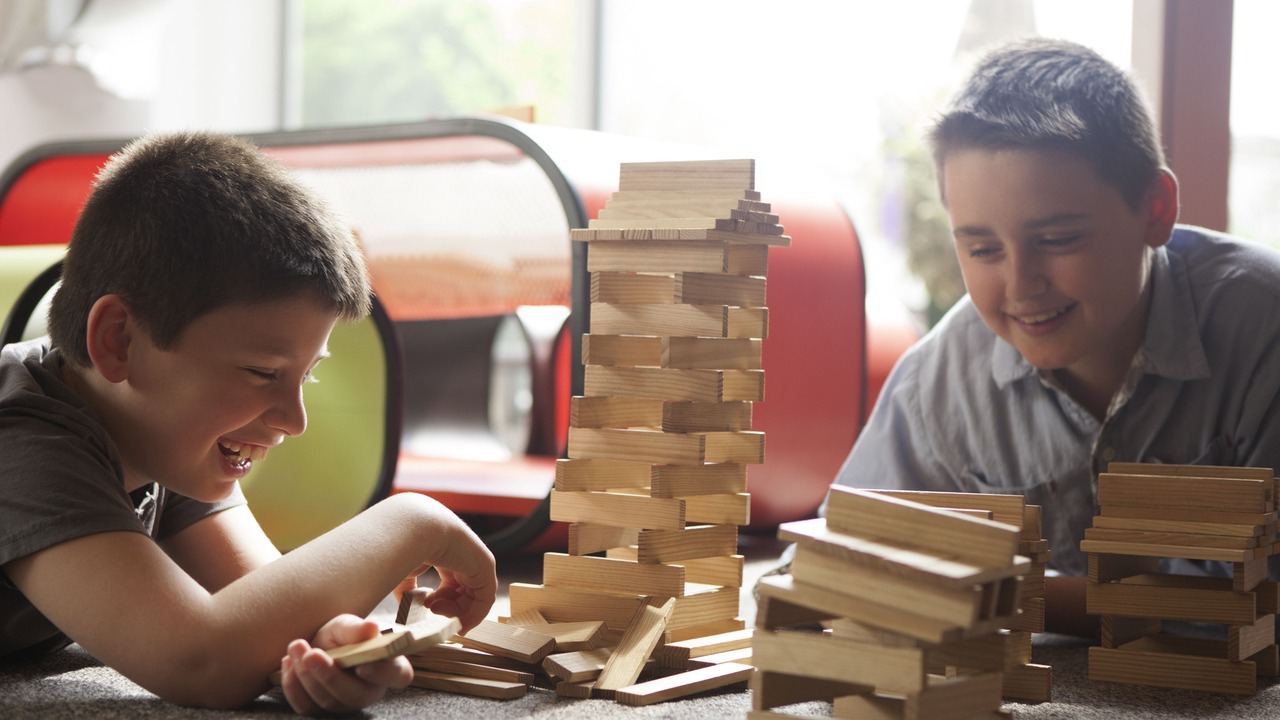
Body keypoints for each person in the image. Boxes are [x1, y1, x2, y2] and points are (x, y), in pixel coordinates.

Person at [0, 131, 497, 713]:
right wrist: (415, 521)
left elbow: (255, 607)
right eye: (263, 373)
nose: (294, 420)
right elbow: (201, 659)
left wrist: (326, 644)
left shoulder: (160, 439)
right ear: (120, 341)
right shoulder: (22, 440)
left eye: (307, 375)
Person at [833, 37, 1280, 636]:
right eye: (983, 249)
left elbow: (1264, 607)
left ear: (1155, 208)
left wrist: (1009, 593)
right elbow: (827, 574)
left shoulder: (1264, 329)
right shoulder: (938, 382)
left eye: (1057, 240)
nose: (1021, 285)